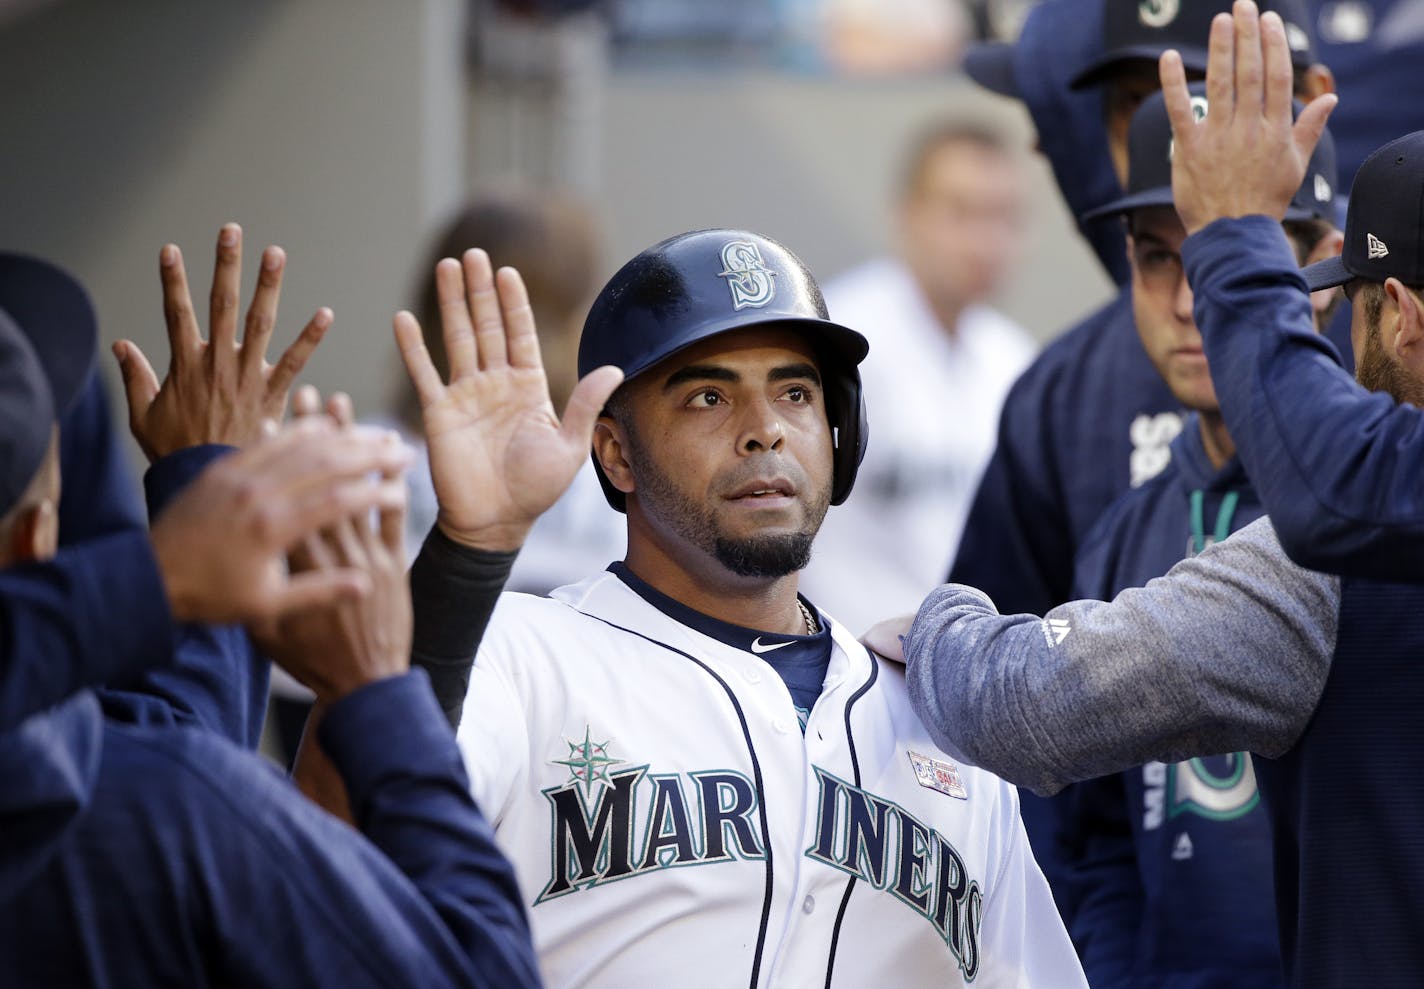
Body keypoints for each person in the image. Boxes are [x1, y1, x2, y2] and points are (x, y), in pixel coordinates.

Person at [887, 5, 1424, 982]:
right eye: (1154, 257)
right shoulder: (1076, 420)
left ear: (1388, 308)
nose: (1187, 295)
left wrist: (937, 627)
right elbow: (1076, 832)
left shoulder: (1327, 547)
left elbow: (1027, 701)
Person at [389, 233, 1085, 985]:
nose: (766, 428)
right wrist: (469, 548)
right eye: (708, 397)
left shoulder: (938, 720)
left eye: (796, 393)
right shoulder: (517, 658)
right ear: (616, 454)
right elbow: (360, 839)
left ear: (842, 436)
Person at [0, 229, 541, 987]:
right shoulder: (168, 809)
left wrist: (177, 539)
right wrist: (375, 693)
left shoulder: (154, 787)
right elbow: (481, 972)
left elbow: (155, 736)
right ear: (34, 540)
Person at [951, 0, 1338, 909]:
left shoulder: (1389, 366)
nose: (1186, 132)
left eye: (1214, 87)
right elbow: (1061, 808)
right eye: (1137, 103)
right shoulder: (1066, 397)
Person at [1054, 84, 1340, 987]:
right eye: (1152, 258)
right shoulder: (1121, 529)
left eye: (1220, 256)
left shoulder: (1381, 516)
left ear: (1325, 268)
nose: (1184, 301)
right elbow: (1095, 833)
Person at [799, 121, 1036, 632]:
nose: (985, 241)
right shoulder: (838, 339)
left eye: (1005, 217)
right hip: (844, 662)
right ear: (905, 213)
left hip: (969, 666)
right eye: (961, 212)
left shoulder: (1015, 360)